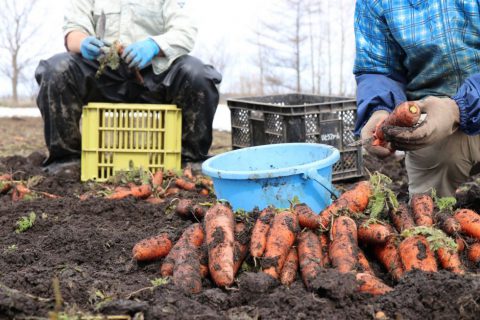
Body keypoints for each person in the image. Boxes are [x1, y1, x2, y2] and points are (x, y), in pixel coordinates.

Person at [35, 0, 222, 173]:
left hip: (155, 74)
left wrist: (154, 45)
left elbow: (185, 31)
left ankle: (190, 162)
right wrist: (82, 42)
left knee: (199, 75)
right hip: (103, 74)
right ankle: (66, 162)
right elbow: (73, 31)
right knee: (55, 70)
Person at [354, 0, 480, 197]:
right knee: (426, 211)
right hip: (431, 128)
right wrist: (379, 110)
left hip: (459, 107)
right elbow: (378, 68)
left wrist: (457, 108)